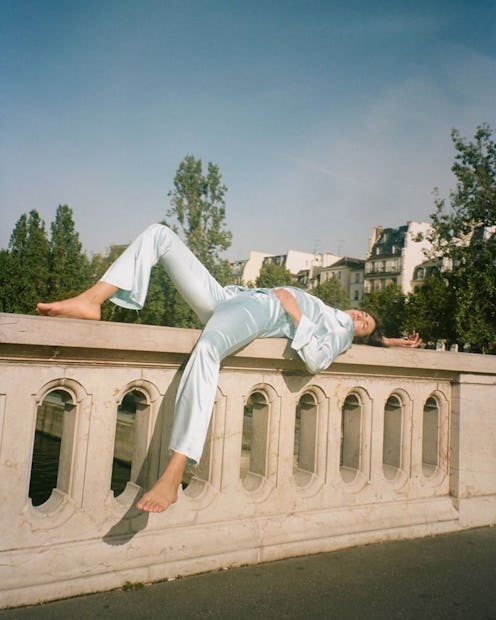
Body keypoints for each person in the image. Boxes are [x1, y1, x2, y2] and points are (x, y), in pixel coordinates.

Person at [36, 223, 421, 513]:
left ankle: (174, 470)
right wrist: (389, 340)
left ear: (358, 336)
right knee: (160, 234)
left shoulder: (338, 330)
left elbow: (318, 359)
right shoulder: (340, 316)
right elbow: (365, 334)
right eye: (363, 313)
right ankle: (91, 299)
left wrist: (292, 310)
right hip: (233, 297)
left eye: (365, 323)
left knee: (207, 352)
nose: (359, 315)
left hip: (263, 309)